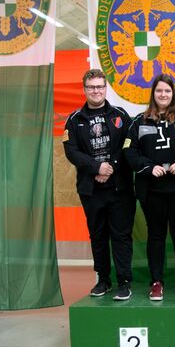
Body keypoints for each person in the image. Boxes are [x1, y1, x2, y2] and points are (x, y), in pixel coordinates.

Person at [124, 74, 175, 301]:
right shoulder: (140, 121)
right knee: (156, 235)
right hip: (152, 189)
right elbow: (129, 150)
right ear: (153, 93)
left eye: (167, 91)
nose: (163, 94)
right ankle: (156, 281)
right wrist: (148, 167)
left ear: (173, 94)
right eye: (159, 91)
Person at [63, 69, 135, 301]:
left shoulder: (120, 114)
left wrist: (110, 166)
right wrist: (96, 168)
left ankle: (124, 281)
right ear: (84, 89)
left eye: (100, 87)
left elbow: (129, 143)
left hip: (120, 188)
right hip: (91, 189)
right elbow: (71, 151)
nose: (96, 91)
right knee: (98, 236)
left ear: (106, 89)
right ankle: (103, 279)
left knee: (121, 236)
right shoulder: (74, 119)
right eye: (91, 87)